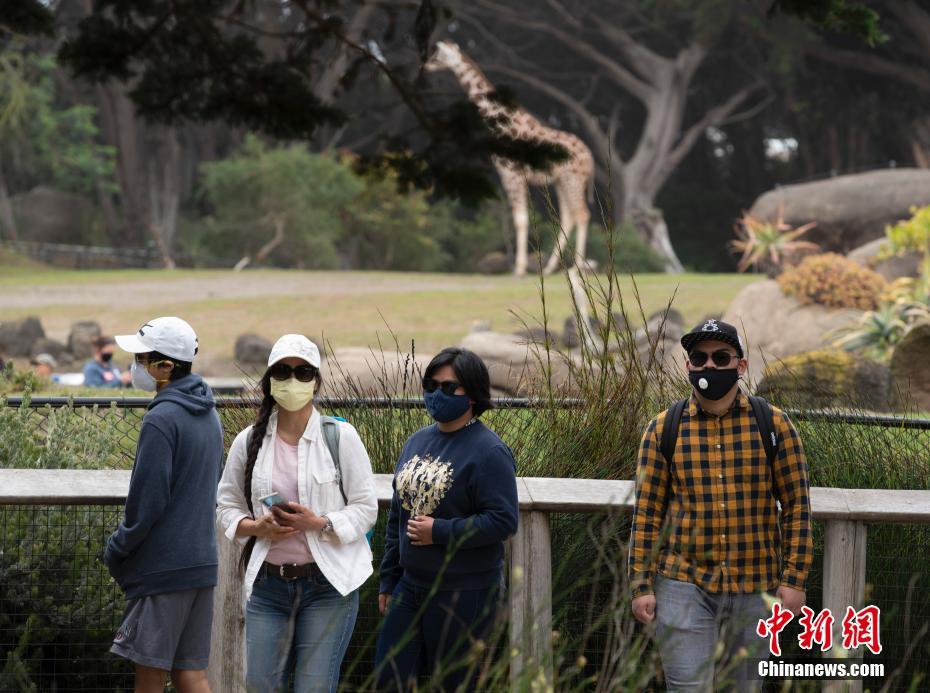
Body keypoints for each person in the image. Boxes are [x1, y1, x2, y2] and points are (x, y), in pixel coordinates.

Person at [628, 319, 813, 692]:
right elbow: (647, 513)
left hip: (755, 586)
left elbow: (797, 507)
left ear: (740, 366)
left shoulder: (774, 425)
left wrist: (794, 580)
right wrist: (641, 584)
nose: (709, 366)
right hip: (683, 584)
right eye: (700, 358)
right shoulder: (663, 429)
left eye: (721, 357)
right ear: (689, 366)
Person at [217, 334, 377, 693]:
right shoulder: (247, 441)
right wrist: (257, 527)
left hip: (327, 586)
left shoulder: (341, 437)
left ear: (317, 381)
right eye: (283, 371)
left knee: (313, 687)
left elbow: (367, 509)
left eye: (303, 372)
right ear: (269, 380)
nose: (293, 380)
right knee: (259, 684)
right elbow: (226, 507)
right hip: (268, 587)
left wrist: (319, 523)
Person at [375, 347, 519, 692]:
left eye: (448, 387)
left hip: (464, 592)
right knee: (388, 679)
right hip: (410, 586)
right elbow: (399, 514)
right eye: (430, 385)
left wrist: (440, 532)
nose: (437, 395)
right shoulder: (417, 441)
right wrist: (389, 578)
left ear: (472, 393)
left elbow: (502, 520)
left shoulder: (489, 451)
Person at [102, 317, 223, 693]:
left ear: (165, 366)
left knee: (149, 671)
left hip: (164, 567)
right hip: (202, 561)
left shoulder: (162, 418)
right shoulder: (209, 413)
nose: (135, 365)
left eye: (141, 358)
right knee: (192, 672)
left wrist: (117, 549)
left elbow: (146, 503)